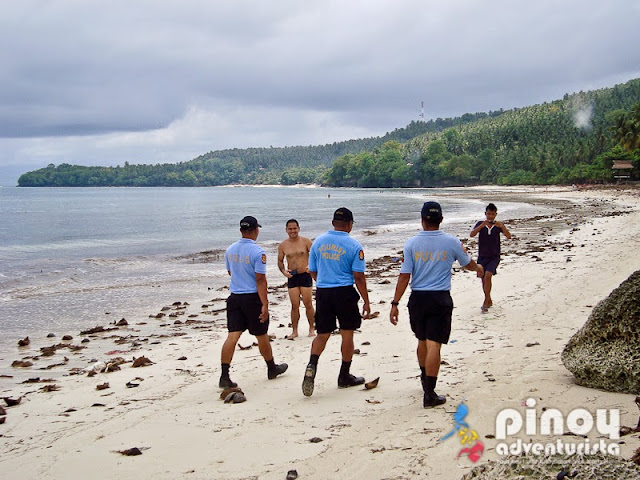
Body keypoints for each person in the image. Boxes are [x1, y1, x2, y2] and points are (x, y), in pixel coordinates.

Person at [389, 202, 484, 407]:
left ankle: (425, 379)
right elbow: (467, 263)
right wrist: (479, 269)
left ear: (422, 220)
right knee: (434, 344)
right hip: (440, 298)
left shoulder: (412, 244)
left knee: (422, 341)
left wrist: (395, 302)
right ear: (440, 220)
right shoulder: (451, 242)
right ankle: (429, 393)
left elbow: (404, 276)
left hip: (418, 299)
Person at [302, 207, 371, 397]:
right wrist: (366, 300)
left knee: (322, 333)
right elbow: (359, 277)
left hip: (324, 292)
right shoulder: (354, 245)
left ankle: (312, 364)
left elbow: (313, 270)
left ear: (333, 223)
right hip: (344, 293)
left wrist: (324, 282)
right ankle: (344, 375)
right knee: (347, 334)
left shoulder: (318, 243)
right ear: (349, 224)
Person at [219, 215, 288, 389]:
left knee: (233, 335)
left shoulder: (230, 249)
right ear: (256, 230)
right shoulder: (258, 252)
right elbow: (260, 280)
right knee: (261, 334)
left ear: (241, 231)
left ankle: (224, 375)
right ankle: (271, 367)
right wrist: (265, 304)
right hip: (251, 297)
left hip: (234, 296)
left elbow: (230, 272)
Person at [469, 203, 512, 312]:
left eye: (492, 214)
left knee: (488, 275)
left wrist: (502, 226)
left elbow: (508, 236)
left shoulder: (498, 226)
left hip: (494, 256)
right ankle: (489, 299)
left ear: (496, 214)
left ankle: (486, 300)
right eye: (488, 214)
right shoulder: (480, 224)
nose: (490, 216)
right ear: (485, 214)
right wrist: (481, 226)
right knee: (483, 279)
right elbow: (472, 234)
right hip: (482, 256)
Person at [277, 219, 316, 339]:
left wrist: (311, 267)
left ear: (299, 228)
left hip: (305, 275)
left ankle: (311, 328)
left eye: (295, 228)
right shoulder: (283, 245)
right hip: (292, 276)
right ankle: (294, 331)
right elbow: (280, 261)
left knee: (308, 303)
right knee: (294, 305)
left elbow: (315, 255)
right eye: (290, 229)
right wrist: (284, 272)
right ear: (286, 230)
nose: (292, 231)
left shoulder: (306, 241)